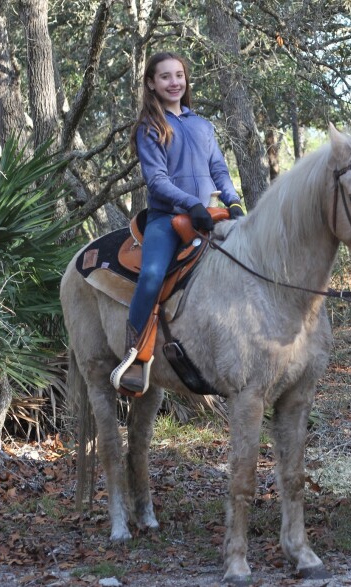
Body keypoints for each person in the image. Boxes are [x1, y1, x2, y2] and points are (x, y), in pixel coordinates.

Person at [110, 51, 244, 394]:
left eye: (179, 75)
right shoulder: (149, 128)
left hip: (208, 215)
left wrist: (232, 200)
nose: (174, 82)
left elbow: (218, 169)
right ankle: (135, 354)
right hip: (167, 219)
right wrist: (188, 204)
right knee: (153, 275)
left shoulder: (202, 125)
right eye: (166, 77)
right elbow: (157, 181)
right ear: (151, 84)